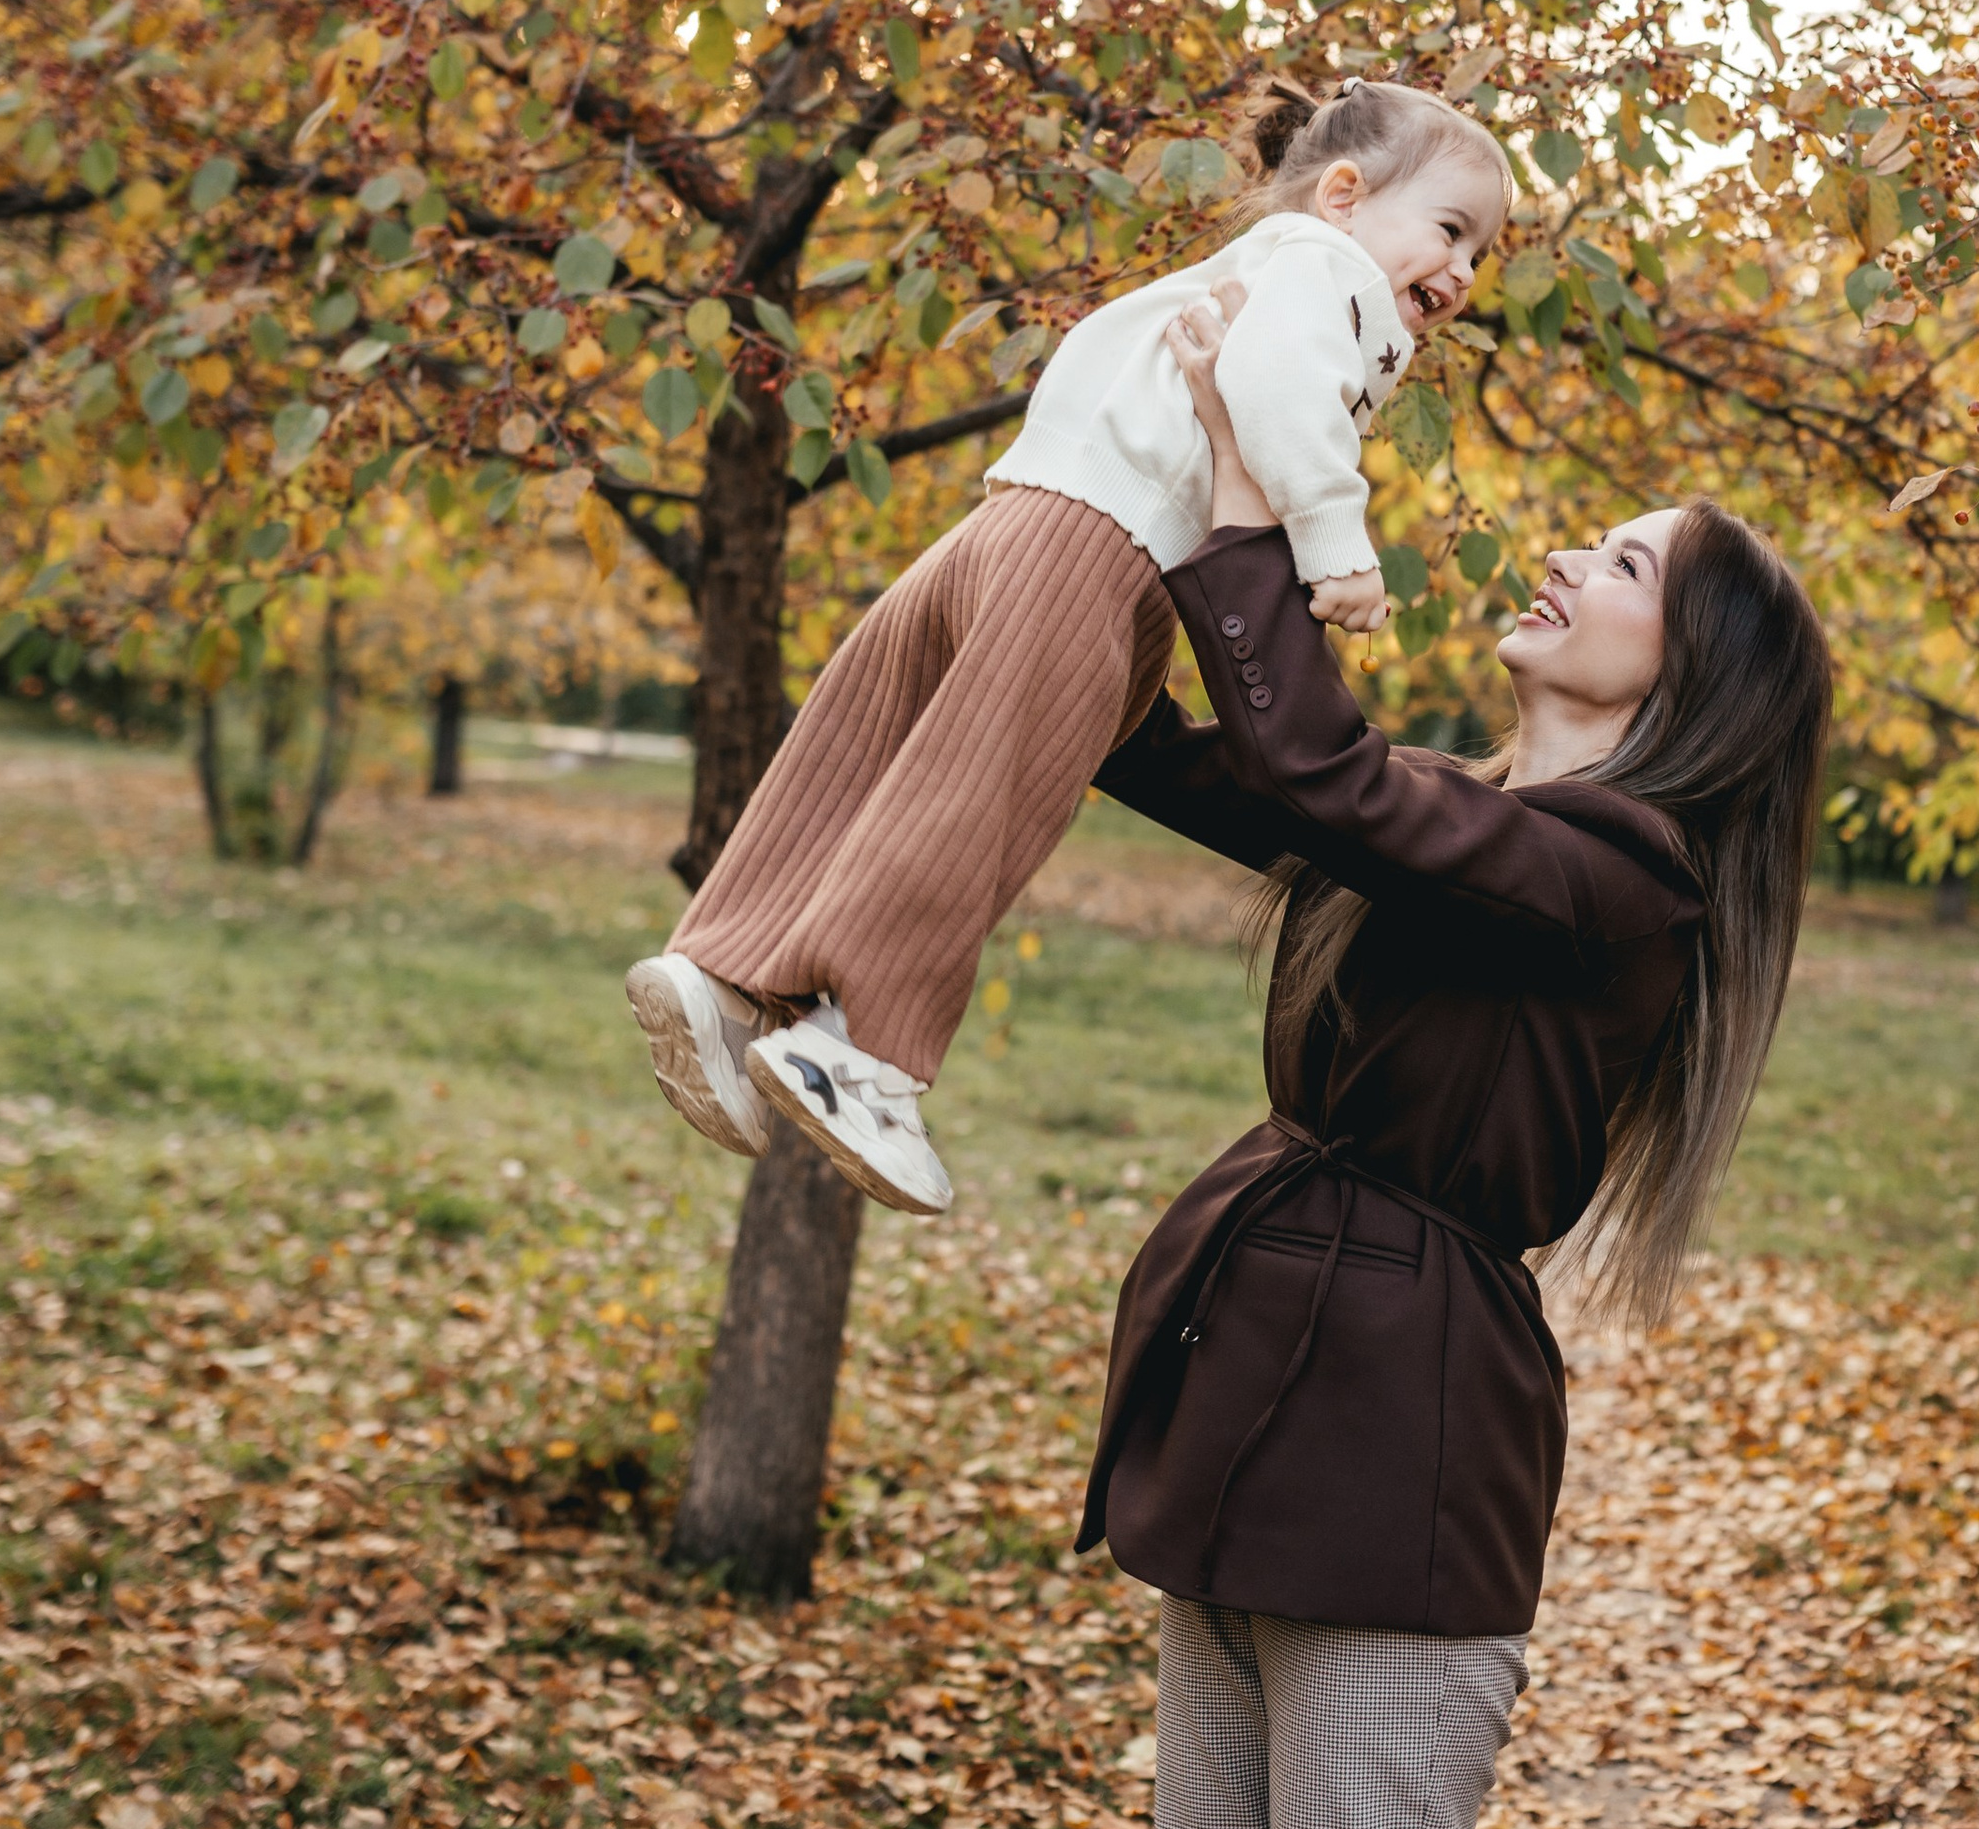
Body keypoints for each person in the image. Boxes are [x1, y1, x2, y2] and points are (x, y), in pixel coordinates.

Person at [977, 297, 1833, 1829]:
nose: (1565, 558)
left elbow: (1318, 768)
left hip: (1402, 1455)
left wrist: (1251, 508)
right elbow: (1213, 764)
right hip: (1254, 1404)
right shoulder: (1461, 809)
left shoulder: (1621, 869)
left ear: (1694, 672)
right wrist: (1085, 532)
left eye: (1624, 562)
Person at [622, 78, 1511, 1215]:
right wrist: (1334, 540)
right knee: (986, 790)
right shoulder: (1330, 274)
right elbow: (1276, 391)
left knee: (868, 742)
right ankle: (861, 1053)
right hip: (1101, 553)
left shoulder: (1262, 262)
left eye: (1481, 252)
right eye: (1451, 229)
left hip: (1015, 521)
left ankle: (724, 976)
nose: (1464, 272)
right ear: (1344, 194)